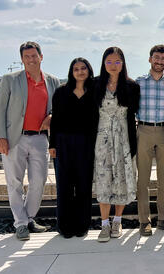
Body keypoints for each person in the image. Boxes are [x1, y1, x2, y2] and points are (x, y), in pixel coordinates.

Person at [0, 41, 61, 241]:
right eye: (27, 57)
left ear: (41, 56)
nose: (31, 60)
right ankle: (21, 224)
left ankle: (29, 217)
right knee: (14, 182)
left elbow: (57, 107)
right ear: (22, 59)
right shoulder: (10, 80)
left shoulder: (53, 81)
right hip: (15, 138)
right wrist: (0, 137)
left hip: (40, 138)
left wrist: (52, 116)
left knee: (38, 181)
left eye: (34, 56)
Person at [93, 47, 140, 243]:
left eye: (117, 62)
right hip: (101, 138)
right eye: (110, 62)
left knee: (121, 178)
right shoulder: (95, 84)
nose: (113, 65)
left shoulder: (131, 86)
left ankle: (117, 221)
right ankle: (104, 223)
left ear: (123, 64)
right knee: (104, 178)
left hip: (123, 139)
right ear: (104, 63)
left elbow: (134, 112)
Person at [49, 58, 97, 238]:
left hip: (87, 143)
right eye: (76, 69)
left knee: (84, 185)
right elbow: (55, 121)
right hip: (63, 143)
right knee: (65, 186)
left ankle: (82, 225)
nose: (80, 71)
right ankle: (64, 226)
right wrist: (52, 144)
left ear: (89, 70)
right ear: (71, 72)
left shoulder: (94, 92)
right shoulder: (61, 92)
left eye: (83, 68)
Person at [136, 45, 164, 236]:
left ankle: (163, 219)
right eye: (156, 57)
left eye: (163, 58)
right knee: (143, 179)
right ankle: (144, 221)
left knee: (163, 178)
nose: (159, 61)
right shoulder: (139, 82)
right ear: (150, 59)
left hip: (163, 131)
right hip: (143, 129)